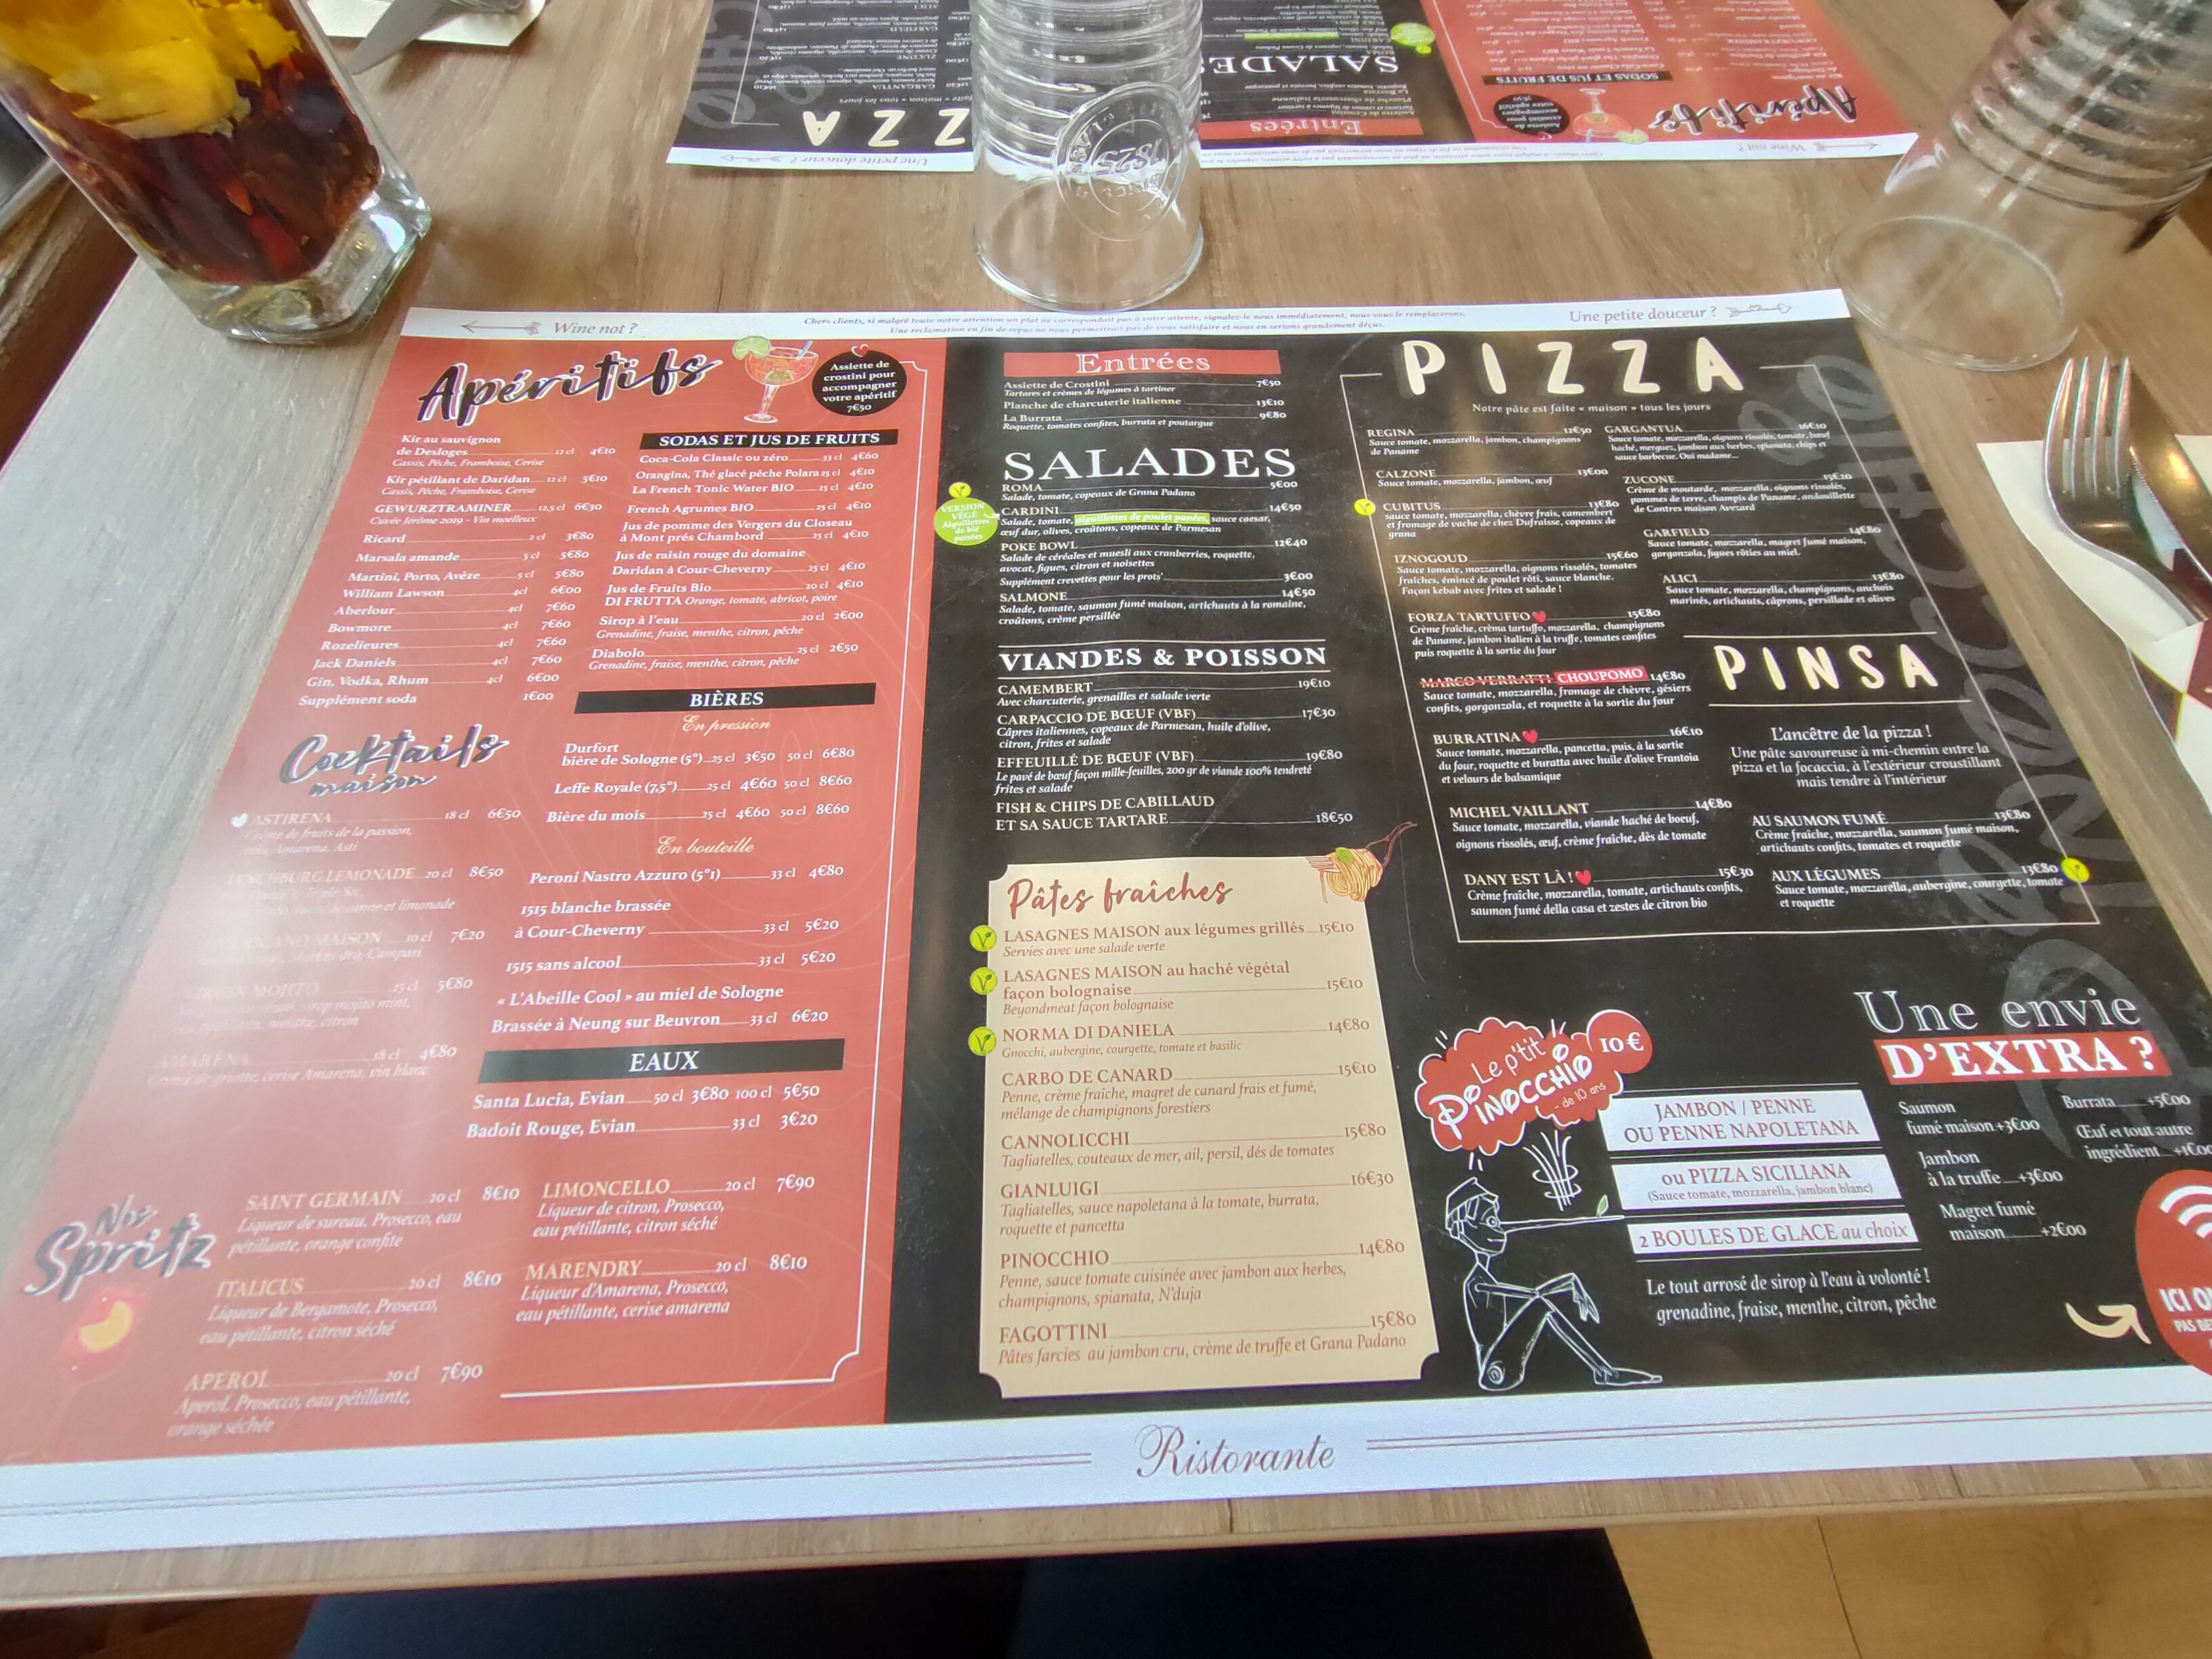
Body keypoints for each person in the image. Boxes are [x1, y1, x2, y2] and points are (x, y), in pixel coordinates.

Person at [1444, 1176, 1660, 1392]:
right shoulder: (1477, 1283)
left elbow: (1534, 1296)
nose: (1500, 1228)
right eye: (1492, 1221)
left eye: (1497, 1220)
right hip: (1494, 1369)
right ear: (1467, 1229)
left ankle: (1605, 1372)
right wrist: (1568, 1283)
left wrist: (1569, 1282)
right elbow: (1534, 1296)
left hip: (1502, 1359)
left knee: (1541, 1305)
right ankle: (1606, 1372)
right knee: (1542, 1306)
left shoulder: (1486, 1278)